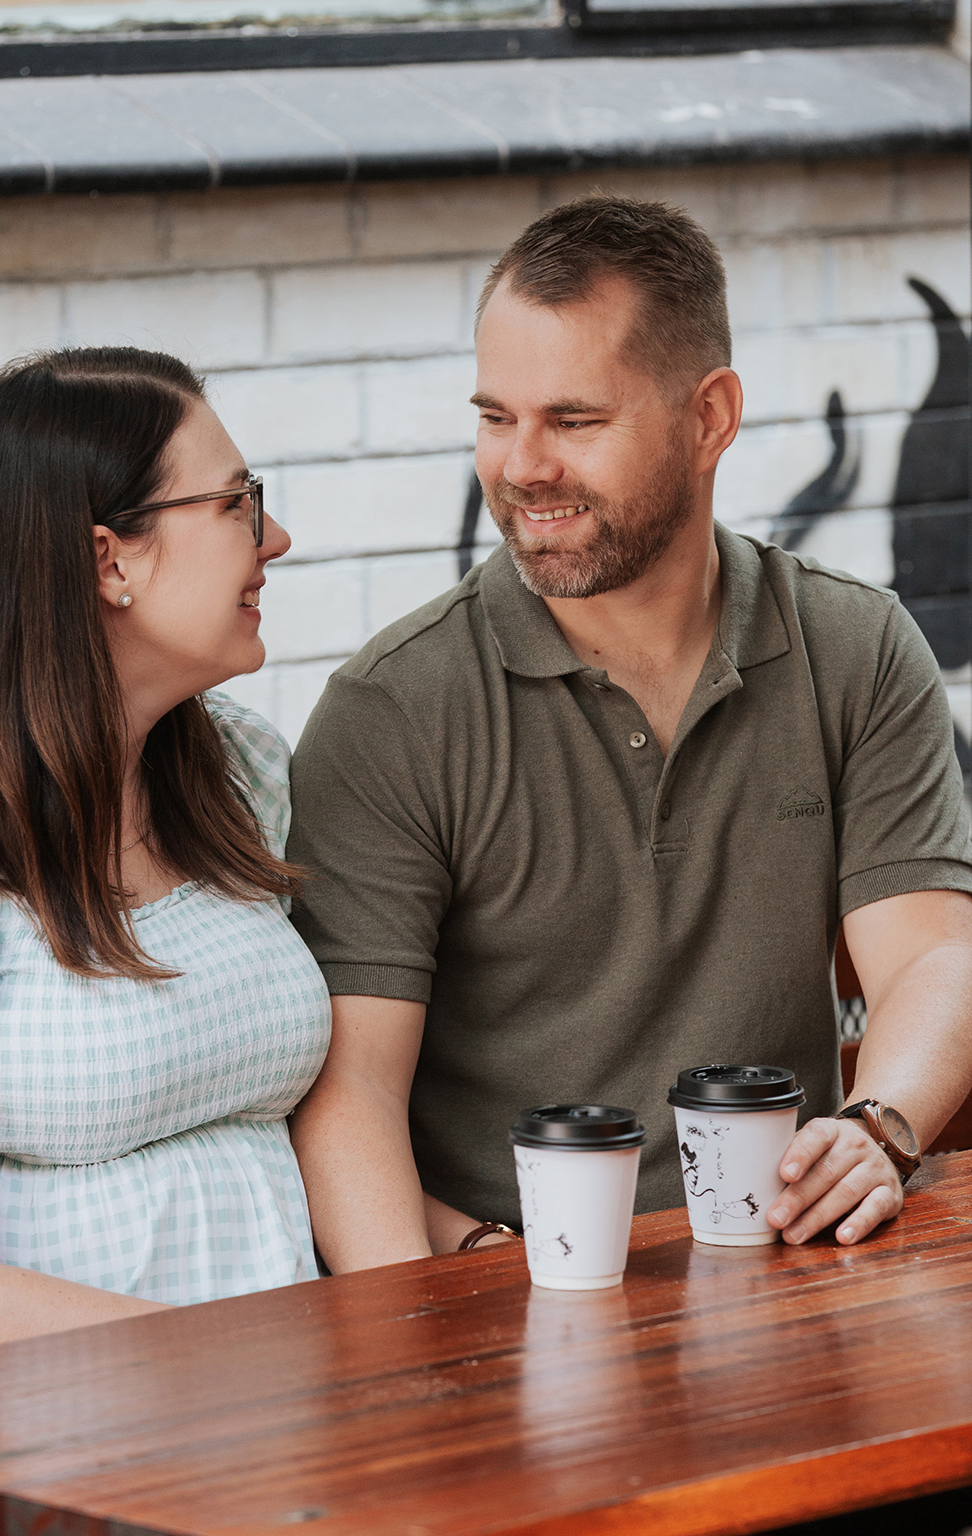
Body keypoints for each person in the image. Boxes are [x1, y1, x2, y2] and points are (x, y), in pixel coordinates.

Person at [286, 195, 972, 1272]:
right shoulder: (394, 709)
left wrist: (877, 1128)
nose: (521, 467)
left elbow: (930, 952)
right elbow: (348, 1095)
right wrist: (440, 1327)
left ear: (709, 417)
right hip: (510, 1288)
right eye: (495, 415)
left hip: (782, 1265)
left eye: (574, 420)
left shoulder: (854, 642)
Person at [0, 348, 331, 1352]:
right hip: (75, 1458)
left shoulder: (243, 772)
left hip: (299, 1429)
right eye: (237, 503)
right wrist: (272, 1378)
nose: (276, 537)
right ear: (109, 561)